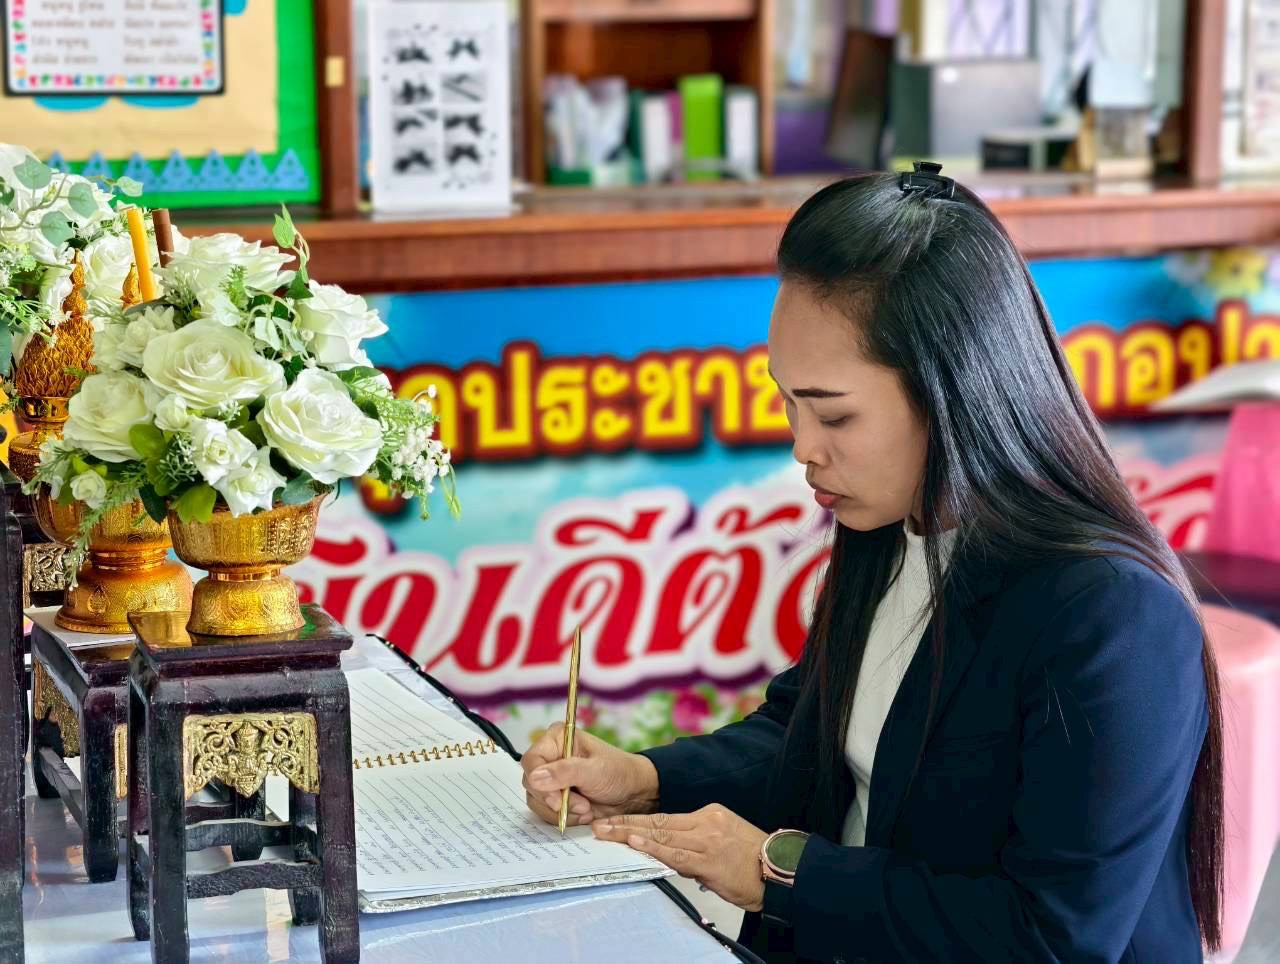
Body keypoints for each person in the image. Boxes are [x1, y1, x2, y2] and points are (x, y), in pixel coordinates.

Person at [521, 166, 1223, 963]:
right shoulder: (890, 527)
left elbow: (1052, 937)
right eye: (788, 403)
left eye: (835, 415)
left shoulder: (1111, 614)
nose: (802, 447)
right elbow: (807, 737)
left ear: (952, 390)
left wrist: (778, 871)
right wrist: (645, 777)